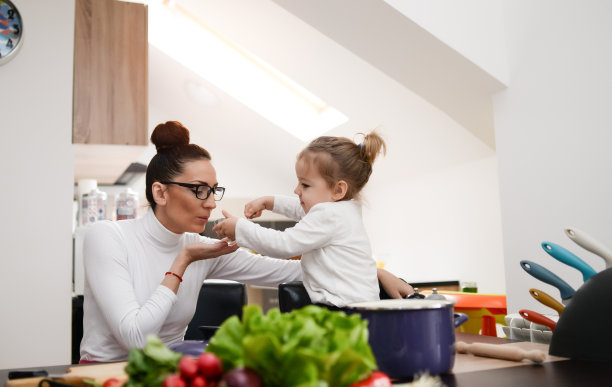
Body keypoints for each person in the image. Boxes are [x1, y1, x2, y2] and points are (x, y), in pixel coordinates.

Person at [80, 121, 412, 362]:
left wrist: (374, 273)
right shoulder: (106, 237)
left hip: (171, 375)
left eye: (214, 191)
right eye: (199, 190)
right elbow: (135, 338)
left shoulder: (202, 250)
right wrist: (182, 261)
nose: (210, 203)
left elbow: (301, 271)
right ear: (160, 192)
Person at [213, 132, 387, 307]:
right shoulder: (343, 210)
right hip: (358, 308)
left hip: (345, 309)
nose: (296, 190)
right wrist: (270, 202)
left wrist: (240, 228)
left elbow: (283, 244)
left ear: (338, 190)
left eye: (305, 185)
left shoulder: (330, 215)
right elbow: (300, 208)